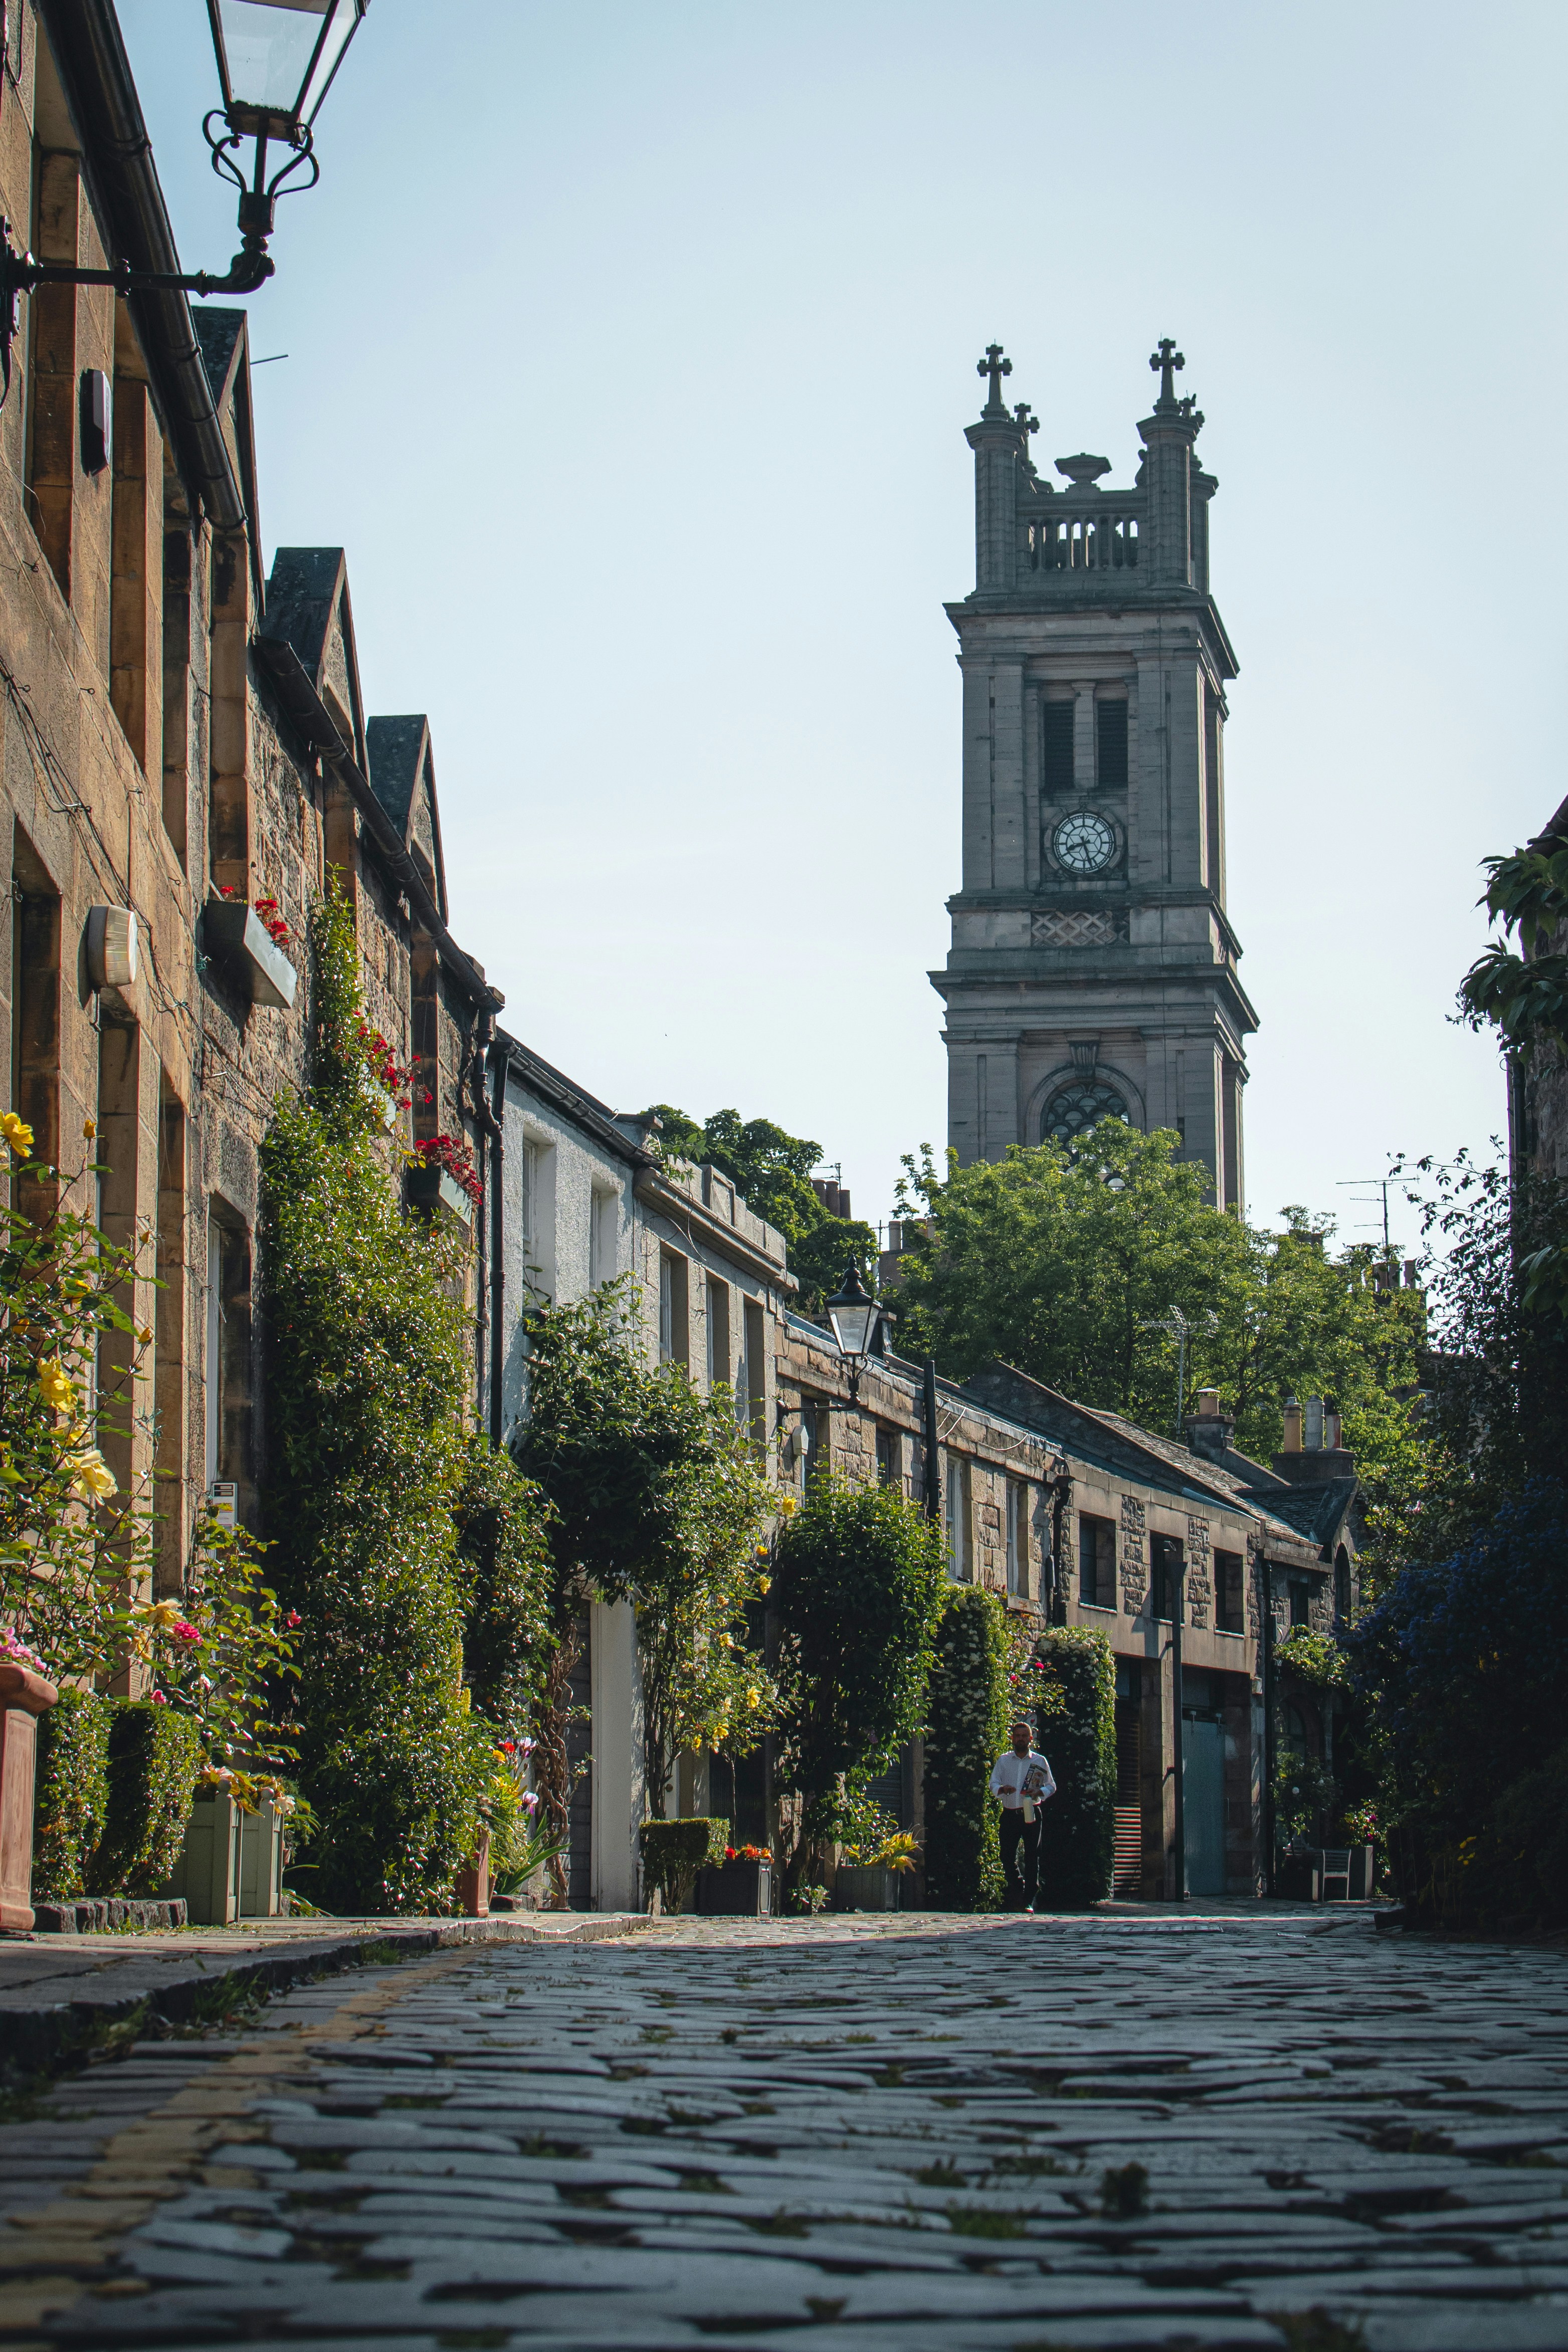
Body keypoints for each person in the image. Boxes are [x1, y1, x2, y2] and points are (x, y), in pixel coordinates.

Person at [989, 1718, 1056, 1912]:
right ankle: (1019, 1884)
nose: (1020, 1739)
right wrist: (1002, 1789)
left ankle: (1028, 1899)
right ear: (1012, 1738)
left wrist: (1040, 1792)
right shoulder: (1004, 1760)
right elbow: (993, 1783)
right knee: (1006, 1856)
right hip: (1010, 1813)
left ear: (1030, 1739)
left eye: (1024, 1736)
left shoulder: (1039, 1761)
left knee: (1032, 1855)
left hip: (1031, 1812)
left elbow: (1052, 1785)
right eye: (1017, 1736)